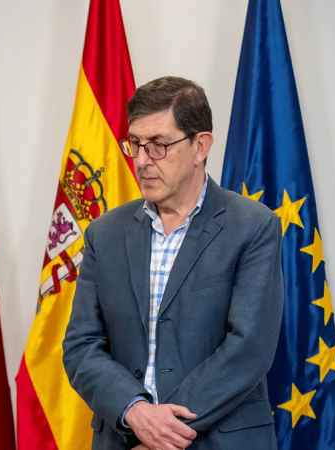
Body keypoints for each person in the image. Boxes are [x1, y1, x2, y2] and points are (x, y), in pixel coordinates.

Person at [62, 76, 283, 450]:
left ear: (200, 146)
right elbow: (81, 345)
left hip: (216, 439)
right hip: (124, 438)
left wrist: (164, 429)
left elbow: (249, 348)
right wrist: (136, 412)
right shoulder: (104, 233)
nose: (143, 160)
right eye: (135, 144)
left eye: (159, 145)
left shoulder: (253, 226)